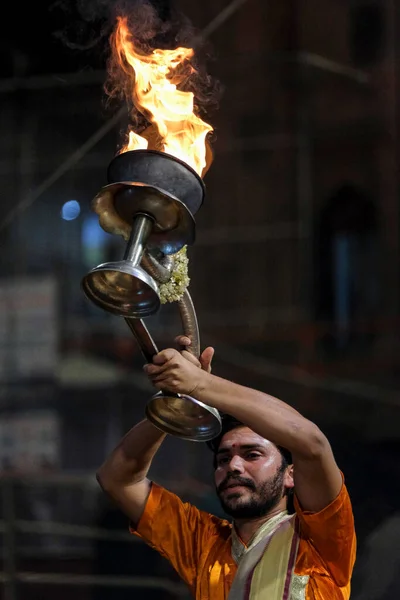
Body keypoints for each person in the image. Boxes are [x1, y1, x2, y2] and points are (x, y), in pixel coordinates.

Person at [97, 337, 356, 600]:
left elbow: (312, 443)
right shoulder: (203, 543)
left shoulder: (320, 537)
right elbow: (117, 479)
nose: (233, 466)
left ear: (291, 475)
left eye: (251, 454)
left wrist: (201, 384)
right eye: (222, 459)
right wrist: (175, 402)